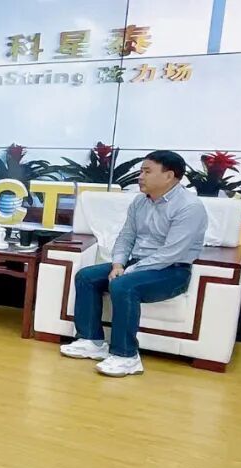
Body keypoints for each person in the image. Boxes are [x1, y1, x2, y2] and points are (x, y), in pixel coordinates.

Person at [60, 150, 208, 377]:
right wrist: (118, 264)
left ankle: (126, 356)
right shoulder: (140, 201)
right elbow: (126, 236)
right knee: (86, 276)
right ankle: (91, 340)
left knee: (123, 284)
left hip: (172, 271)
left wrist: (129, 271)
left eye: (147, 172)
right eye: (141, 171)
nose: (140, 177)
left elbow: (171, 253)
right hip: (136, 264)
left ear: (169, 176)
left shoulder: (189, 207)